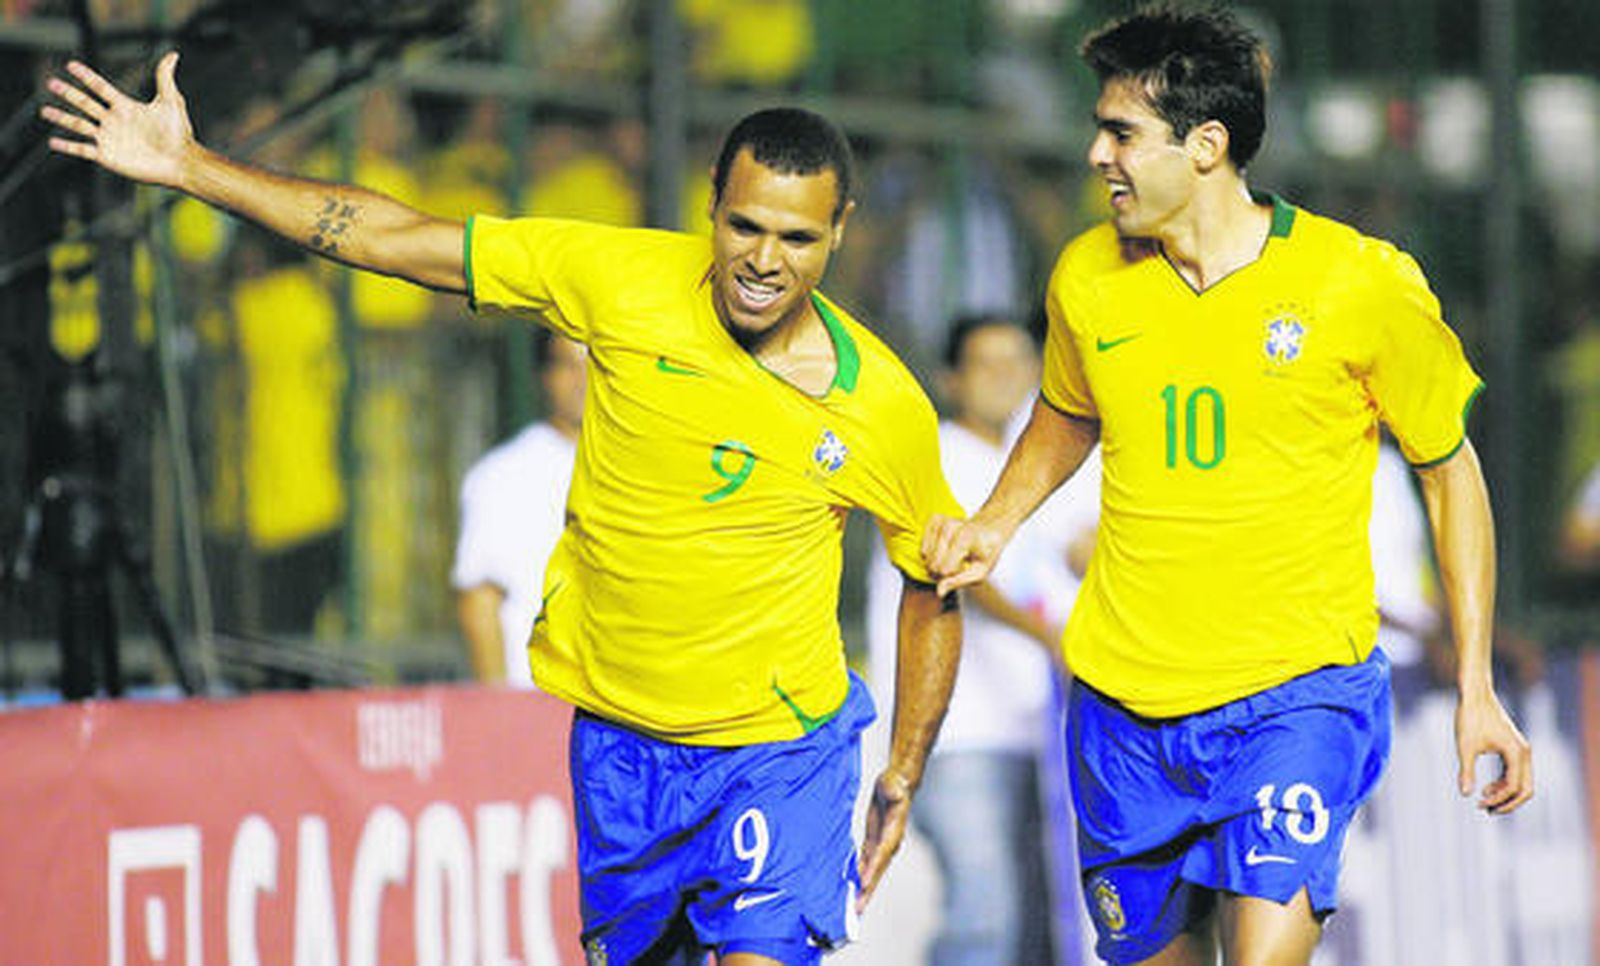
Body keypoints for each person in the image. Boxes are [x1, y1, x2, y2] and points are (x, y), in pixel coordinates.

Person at [43, 54, 964, 965]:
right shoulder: (618, 277)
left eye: (797, 239)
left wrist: (904, 766)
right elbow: (400, 240)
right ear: (710, 204)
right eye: (745, 226)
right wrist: (193, 168)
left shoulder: (881, 405)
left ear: (840, 229)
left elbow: (931, 586)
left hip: (783, 750)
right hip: (623, 749)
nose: (765, 260)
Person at [920, 7, 1533, 965]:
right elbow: (1068, 410)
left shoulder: (1358, 282)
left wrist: (1476, 681)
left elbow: (1450, 470)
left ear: (1206, 145)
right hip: (1123, 709)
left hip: (1293, 700)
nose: (1096, 154)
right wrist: (997, 521)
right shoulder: (1087, 277)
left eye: (1121, 132)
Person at [865, 314, 1098, 965]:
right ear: (951, 379)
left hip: (1036, 730)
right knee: (983, 917)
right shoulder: (935, 452)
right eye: (985, 364)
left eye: (1017, 361)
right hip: (958, 730)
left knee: (1037, 928)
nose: (1004, 376)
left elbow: (1079, 547)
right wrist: (1053, 637)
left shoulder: (1032, 466)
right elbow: (961, 570)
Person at [451, 327, 586, 686]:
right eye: (568, 366)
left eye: (594, 366)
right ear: (543, 376)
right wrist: (501, 712)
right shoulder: (502, 475)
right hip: (533, 703)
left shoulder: (641, 470)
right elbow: (479, 599)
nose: (583, 380)